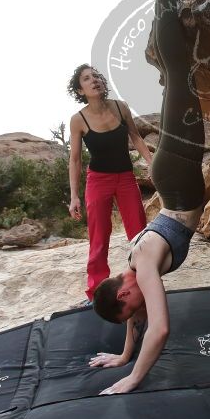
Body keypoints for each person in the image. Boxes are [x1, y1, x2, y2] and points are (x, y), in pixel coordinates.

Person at [87, 0, 207, 395]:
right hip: (170, 176)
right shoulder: (135, 266)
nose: (134, 314)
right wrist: (122, 355)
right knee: (176, 76)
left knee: (179, 73)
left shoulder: (148, 264)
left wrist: (132, 378)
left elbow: (159, 328)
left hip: (177, 172)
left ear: (123, 294)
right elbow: (138, 322)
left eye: (126, 311)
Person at [67, 64, 154, 302]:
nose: (94, 80)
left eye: (96, 76)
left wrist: (151, 162)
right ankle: (96, 292)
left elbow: (135, 136)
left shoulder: (120, 107)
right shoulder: (78, 120)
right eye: (86, 78)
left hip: (125, 177)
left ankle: (143, 283)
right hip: (98, 181)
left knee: (139, 233)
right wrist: (74, 196)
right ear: (80, 89)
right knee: (99, 236)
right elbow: (74, 160)